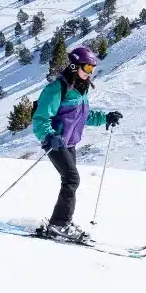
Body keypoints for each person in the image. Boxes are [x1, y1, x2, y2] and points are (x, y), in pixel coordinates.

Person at [32, 44, 122, 242]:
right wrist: (50, 136)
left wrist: (105, 118)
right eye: (88, 67)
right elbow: (40, 119)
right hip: (54, 142)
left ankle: (61, 222)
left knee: (70, 181)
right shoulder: (57, 89)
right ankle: (59, 224)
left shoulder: (80, 90)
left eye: (93, 68)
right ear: (74, 66)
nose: (91, 72)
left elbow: (83, 116)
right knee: (72, 179)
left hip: (69, 143)